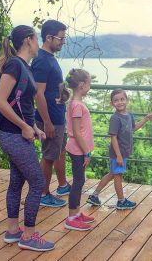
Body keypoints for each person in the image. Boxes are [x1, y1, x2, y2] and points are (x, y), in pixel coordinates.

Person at [0, 25, 55, 251]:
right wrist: (23, 126)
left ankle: (12, 230)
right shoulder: (14, 65)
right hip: (13, 135)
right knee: (38, 182)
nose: (38, 44)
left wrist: (33, 127)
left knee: (17, 182)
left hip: (17, 133)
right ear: (28, 40)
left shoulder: (23, 67)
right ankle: (28, 236)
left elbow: (21, 104)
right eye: (37, 39)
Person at [87, 89, 152, 209]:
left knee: (112, 174)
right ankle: (121, 201)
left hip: (123, 152)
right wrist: (118, 155)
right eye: (116, 100)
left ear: (127, 100)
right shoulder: (115, 118)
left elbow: (133, 128)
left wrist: (146, 119)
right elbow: (113, 137)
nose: (119, 102)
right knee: (117, 175)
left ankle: (94, 195)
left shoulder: (129, 115)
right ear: (112, 103)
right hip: (117, 152)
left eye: (122, 99)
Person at [32, 20, 70, 208]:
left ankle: (55, 188)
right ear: (49, 37)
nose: (63, 42)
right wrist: (46, 122)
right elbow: (38, 92)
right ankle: (42, 194)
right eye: (61, 38)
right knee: (48, 156)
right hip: (51, 119)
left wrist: (63, 94)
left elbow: (50, 88)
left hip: (57, 114)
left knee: (55, 152)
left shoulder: (49, 57)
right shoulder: (41, 60)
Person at [63, 68, 95, 231]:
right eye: (89, 83)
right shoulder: (76, 105)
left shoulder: (76, 103)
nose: (90, 87)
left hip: (78, 149)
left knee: (79, 180)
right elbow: (76, 131)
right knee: (78, 182)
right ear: (82, 85)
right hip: (78, 150)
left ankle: (76, 213)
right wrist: (86, 152)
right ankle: (71, 218)